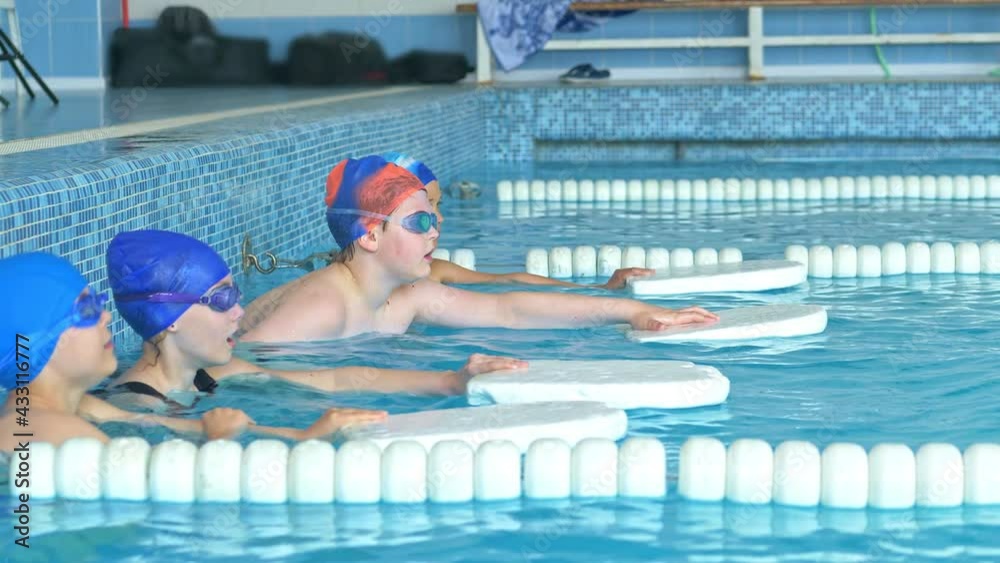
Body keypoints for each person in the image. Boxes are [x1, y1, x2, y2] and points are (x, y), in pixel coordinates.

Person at [238, 155, 717, 343]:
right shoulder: (322, 306)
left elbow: (511, 310)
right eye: (421, 220)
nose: (435, 231)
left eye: (435, 217)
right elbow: (228, 369)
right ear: (370, 235)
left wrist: (632, 311)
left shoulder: (409, 295)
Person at [104, 229, 525, 408]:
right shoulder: (135, 404)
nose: (238, 311)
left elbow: (336, 378)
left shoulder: (213, 372)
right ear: (170, 317)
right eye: (222, 299)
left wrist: (451, 381)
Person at [0, 253, 352, 452]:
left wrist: (303, 438)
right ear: (41, 342)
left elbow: (178, 426)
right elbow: (164, 498)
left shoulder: (77, 408)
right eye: (88, 310)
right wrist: (218, 445)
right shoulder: (52, 430)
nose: (106, 315)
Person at [382, 151, 653, 290]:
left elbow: (509, 281)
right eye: (428, 205)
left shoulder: (435, 272)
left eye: (438, 205)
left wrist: (600, 289)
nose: (440, 217)